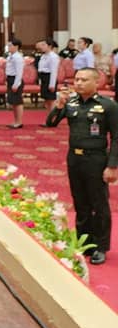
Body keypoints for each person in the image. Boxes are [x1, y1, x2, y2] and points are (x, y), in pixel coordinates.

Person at [46, 68, 118, 265]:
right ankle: (84, 242)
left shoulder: (108, 105)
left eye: (84, 80)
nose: (78, 83)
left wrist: (112, 165)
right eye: (77, 79)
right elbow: (50, 123)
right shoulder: (71, 102)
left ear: (96, 83)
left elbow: (116, 137)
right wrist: (59, 105)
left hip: (96, 159)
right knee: (80, 202)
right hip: (74, 158)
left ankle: (101, 246)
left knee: (99, 204)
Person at [36, 37, 60, 114]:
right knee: (47, 100)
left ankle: (52, 117)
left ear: (49, 46)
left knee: (51, 100)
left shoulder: (53, 56)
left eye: (43, 45)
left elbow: (54, 71)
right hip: (43, 78)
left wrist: (52, 85)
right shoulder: (43, 56)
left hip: (49, 78)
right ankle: (49, 116)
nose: (41, 47)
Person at [5, 38, 25, 128]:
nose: (8, 47)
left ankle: (19, 122)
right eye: (8, 45)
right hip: (10, 79)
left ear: (16, 46)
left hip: (16, 80)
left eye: (10, 45)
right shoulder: (10, 56)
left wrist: (16, 84)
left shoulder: (18, 57)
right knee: (13, 102)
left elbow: (19, 72)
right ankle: (16, 120)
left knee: (18, 101)